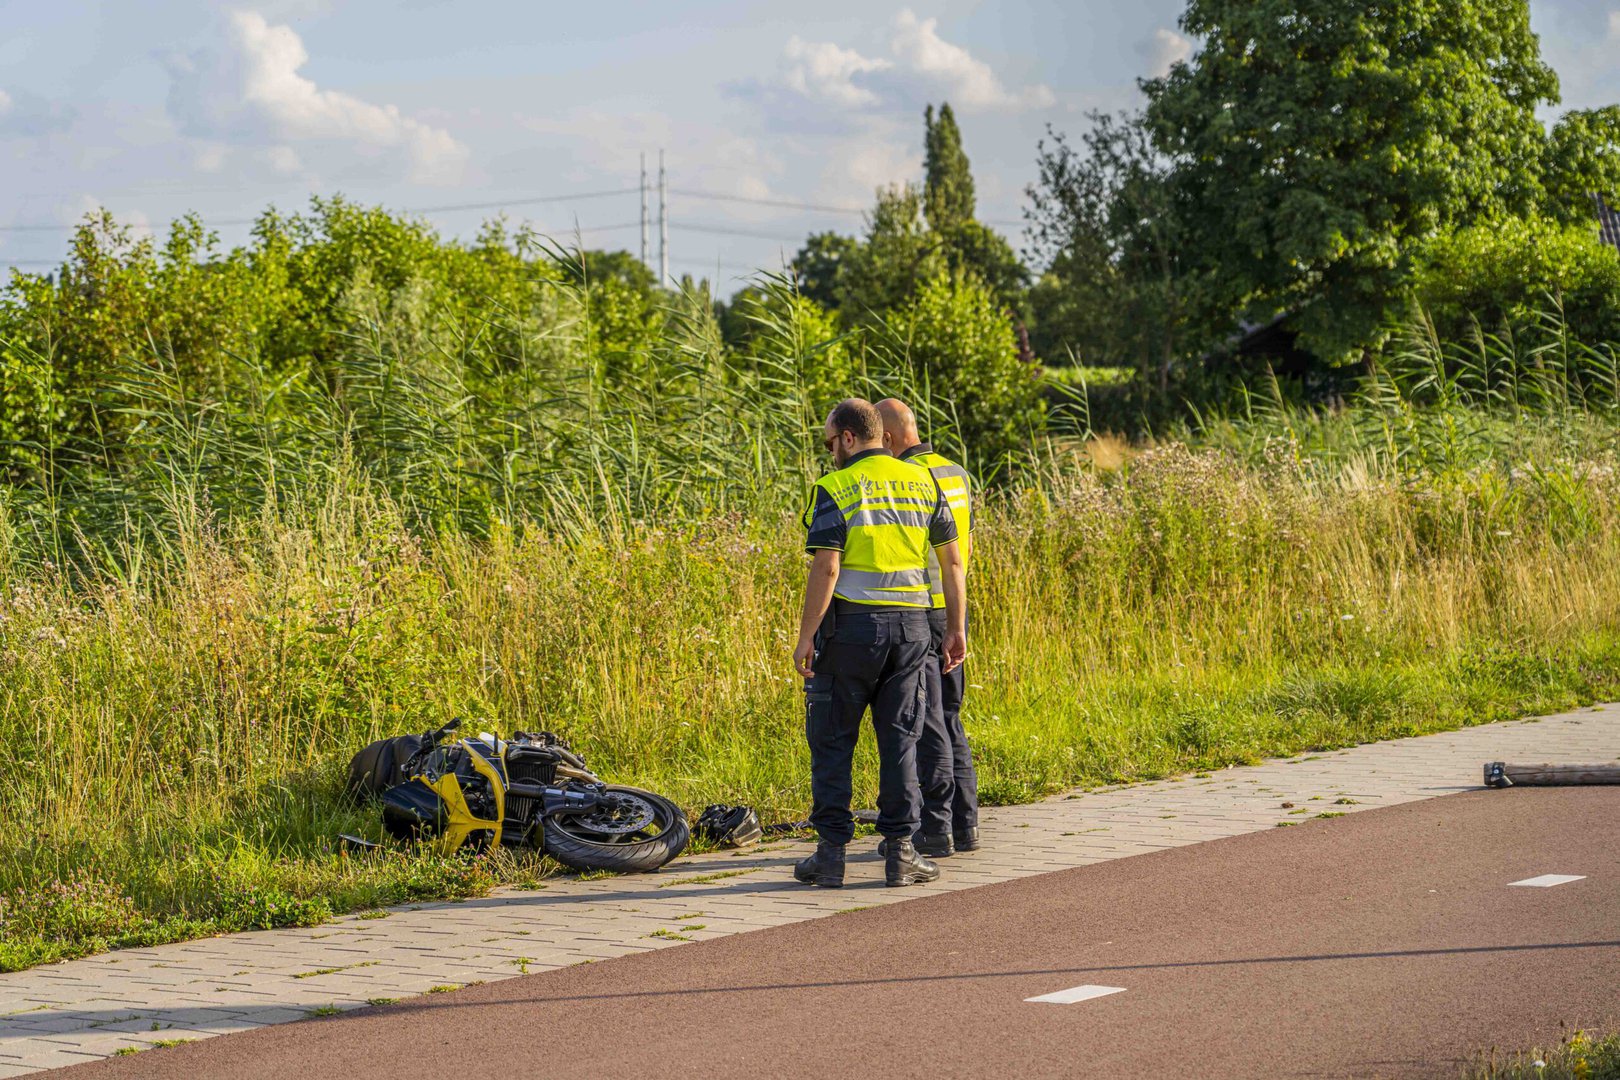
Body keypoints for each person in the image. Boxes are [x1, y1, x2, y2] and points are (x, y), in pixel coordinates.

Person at [792, 398, 968, 888]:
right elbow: (951, 563)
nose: (829, 452)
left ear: (849, 437)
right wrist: (956, 628)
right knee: (900, 741)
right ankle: (901, 852)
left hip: (850, 631)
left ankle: (830, 856)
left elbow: (827, 567)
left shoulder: (835, 486)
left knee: (832, 740)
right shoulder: (923, 482)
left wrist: (806, 636)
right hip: (913, 629)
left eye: (830, 442)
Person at [876, 398, 979, 857]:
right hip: (953, 607)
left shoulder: (911, 478)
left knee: (929, 720)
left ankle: (934, 829)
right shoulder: (955, 471)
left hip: (921, 607)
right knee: (952, 717)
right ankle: (966, 825)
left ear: (892, 439)